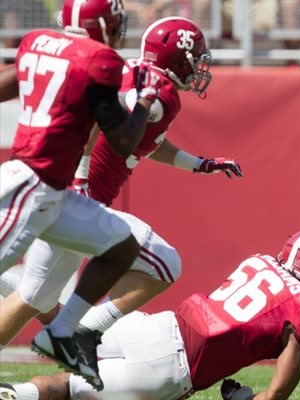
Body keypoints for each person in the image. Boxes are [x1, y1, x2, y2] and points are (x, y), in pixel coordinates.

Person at [0, 14, 243, 389]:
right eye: (196, 57)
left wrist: (199, 164)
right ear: (178, 59)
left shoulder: (143, 80)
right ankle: (85, 330)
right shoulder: (155, 89)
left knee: (31, 298)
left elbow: (148, 143)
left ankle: (74, 329)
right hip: (78, 195)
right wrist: (80, 172)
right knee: (164, 262)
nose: (200, 66)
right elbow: (110, 125)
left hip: (71, 196)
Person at [0, 0, 164, 389]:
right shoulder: (100, 60)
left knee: (121, 247)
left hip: (54, 193)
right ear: (104, 24)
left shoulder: (38, 42)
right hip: (30, 185)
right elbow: (124, 142)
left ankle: (62, 333)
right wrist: (144, 100)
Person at [1, 229, 300, 400]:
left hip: (157, 326)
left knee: (72, 326)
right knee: (62, 390)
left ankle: (19, 289)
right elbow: (273, 395)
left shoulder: (260, 262)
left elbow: (267, 333)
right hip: (170, 367)